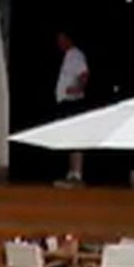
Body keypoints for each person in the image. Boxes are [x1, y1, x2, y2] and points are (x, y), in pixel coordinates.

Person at [52, 30, 91, 186]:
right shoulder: (68, 56)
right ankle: (72, 172)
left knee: (76, 137)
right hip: (66, 101)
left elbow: (84, 73)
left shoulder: (75, 55)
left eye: (62, 40)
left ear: (68, 39)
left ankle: (77, 173)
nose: (59, 44)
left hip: (73, 101)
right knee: (69, 137)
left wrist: (78, 88)